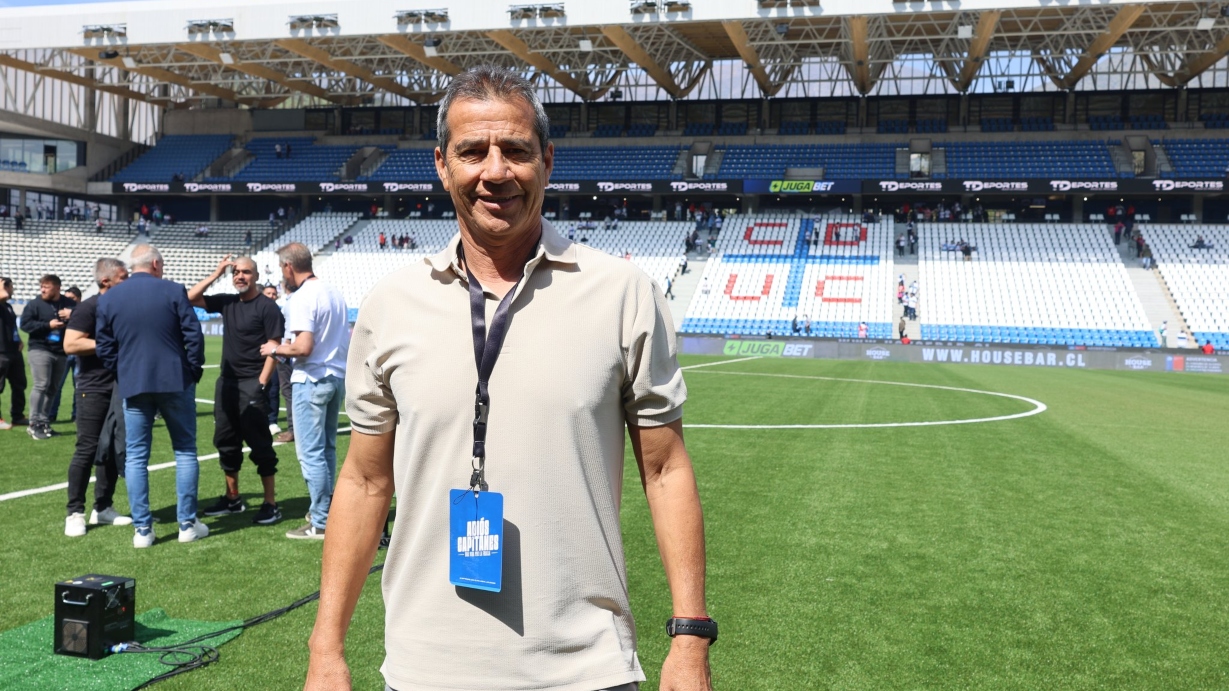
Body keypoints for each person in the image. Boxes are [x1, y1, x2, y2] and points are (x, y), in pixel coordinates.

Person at [303, 66, 712, 691]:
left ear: (546, 161)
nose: (495, 171)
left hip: (585, 668)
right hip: (424, 668)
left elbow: (665, 469)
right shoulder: (392, 304)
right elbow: (361, 482)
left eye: (516, 150)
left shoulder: (623, 294)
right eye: (473, 152)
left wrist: (689, 638)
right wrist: (325, 647)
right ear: (442, 165)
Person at [96, 245, 208, 548]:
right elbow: (192, 334)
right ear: (156, 263)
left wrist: (123, 371)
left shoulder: (112, 297)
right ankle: (187, 524)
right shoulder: (173, 290)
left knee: (136, 457)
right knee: (184, 450)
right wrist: (193, 369)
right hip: (175, 380)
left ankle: (143, 530)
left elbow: (104, 346)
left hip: (134, 383)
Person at [259, 242, 349, 540]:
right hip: (335, 377)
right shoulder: (333, 292)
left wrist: (276, 348)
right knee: (327, 449)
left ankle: (322, 520)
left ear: (288, 267)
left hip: (311, 379)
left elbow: (303, 347)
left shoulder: (302, 297)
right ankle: (327, 511)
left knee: (311, 454)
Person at [188, 255, 285, 525]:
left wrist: (262, 384)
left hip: (252, 384)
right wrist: (217, 271)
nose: (239, 276)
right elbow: (190, 298)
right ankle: (233, 499)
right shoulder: (227, 302)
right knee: (226, 443)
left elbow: (273, 348)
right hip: (226, 384)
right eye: (235, 272)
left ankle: (271, 504)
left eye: (245, 272)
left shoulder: (267, 307)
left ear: (255, 275)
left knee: (261, 445)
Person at [62, 258, 133, 537]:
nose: (129, 281)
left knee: (112, 448)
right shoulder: (89, 307)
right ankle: (74, 512)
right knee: (88, 448)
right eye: (124, 277)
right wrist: (110, 344)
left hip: (121, 385)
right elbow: (71, 343)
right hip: (93, 387)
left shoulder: (124, 307)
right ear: (106, 281)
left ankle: (103, 507)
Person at [20, 274, 74, 439]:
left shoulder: (69, 304)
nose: (42, 289)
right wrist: (47, 325)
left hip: (61, 351)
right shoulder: (35, 304)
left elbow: (84, 318)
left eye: (46, 286)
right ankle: (33, 423)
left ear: (57, 287)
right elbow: (25, 325)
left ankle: (44, 423)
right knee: (41, 385)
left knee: (52, 388)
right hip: (40, 349)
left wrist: (72, 314)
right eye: (41, 286)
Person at [0, 277, 27, 429]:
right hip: (1, 352)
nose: (12, 289)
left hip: (13, 351)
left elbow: (11, 326)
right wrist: (1, 284)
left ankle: (18, 415)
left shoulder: (8, 307)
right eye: (10, 286)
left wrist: (19, 339)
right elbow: (2, 295)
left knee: (19, 384)